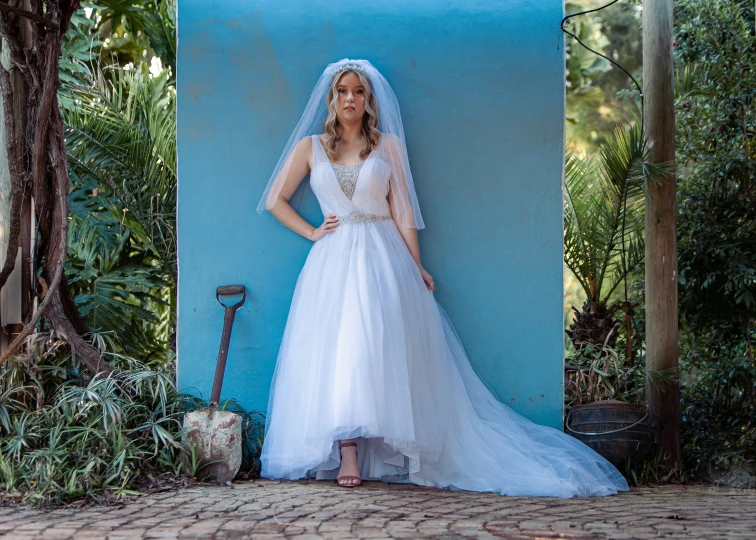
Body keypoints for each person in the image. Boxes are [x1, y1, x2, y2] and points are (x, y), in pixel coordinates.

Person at [256, 58, 630, 497]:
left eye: (358, 92)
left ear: (368, 100)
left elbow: (403, 212)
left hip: (383, 255)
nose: (350, 99)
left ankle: (392, 445)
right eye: (342, 92)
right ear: (332, 99)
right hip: (332, 260)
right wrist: (313, 232)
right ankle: (349, 449)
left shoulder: (388, 145)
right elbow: (276, 200)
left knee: (379, 347)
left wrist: (415, 266)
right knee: (339, 349)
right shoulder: (311, 147)